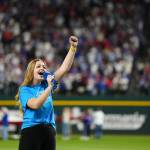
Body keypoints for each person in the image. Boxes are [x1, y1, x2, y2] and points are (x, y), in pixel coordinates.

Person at [15, 35, 78, 150]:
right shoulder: (25, 89)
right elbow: (35, 104)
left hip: (49, 132)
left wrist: (73, 48)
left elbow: (64, 68)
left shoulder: (46, 84)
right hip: (31, 132)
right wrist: (50, 87)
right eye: (38, 66)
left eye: (44, 66)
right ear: (31, 72)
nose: (42, 68)